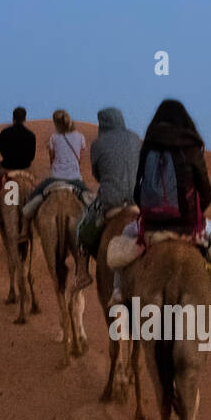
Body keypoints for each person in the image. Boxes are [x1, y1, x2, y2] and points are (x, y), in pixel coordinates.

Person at [109, 99, 211, 315]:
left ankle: (117, 292)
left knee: (125, 234)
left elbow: (138, 190)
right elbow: (206, 191)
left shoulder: (148, 147)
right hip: (188, 227)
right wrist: (196, 211)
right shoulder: (191, 147)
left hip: (151, 227)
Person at [72, 107, 142, 290]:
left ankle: (82, 272)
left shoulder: (98, 144)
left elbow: (97, 174)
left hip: (111, 201)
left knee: (82, 226)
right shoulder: (136, 139)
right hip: (137, 201)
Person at [20, 109, 94, 220]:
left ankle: (25, 226)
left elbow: (52, 160)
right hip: (75, 177)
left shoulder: (54, 138)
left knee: (34, 195)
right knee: (89, 200)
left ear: (56, 123)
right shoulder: (80, 137)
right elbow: (80, 159)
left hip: (55, 177)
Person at [0, 107, 38, 227]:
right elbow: (32, 156)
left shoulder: (4, 133)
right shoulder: (31, 135)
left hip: (6, 168)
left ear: (13, 118)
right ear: (25, 118)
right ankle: (37, 218)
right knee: (37, 187)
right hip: (25, 168)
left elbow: (2, 152)